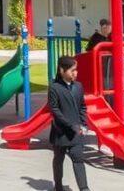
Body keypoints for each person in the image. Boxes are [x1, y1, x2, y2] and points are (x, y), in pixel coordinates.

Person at [48, 56, 90, 191]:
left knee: (78, 159)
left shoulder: (78, 86)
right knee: (58, 160)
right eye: (72, 70)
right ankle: (58, 186)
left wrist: (83, 124)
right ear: (62, 70)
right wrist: (68, 125)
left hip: (76, 132)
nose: (75, 73)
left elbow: (83, 106)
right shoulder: (54, 87)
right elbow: (54, 109)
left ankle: (84, 188)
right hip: (60, 133)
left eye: (76, 70)